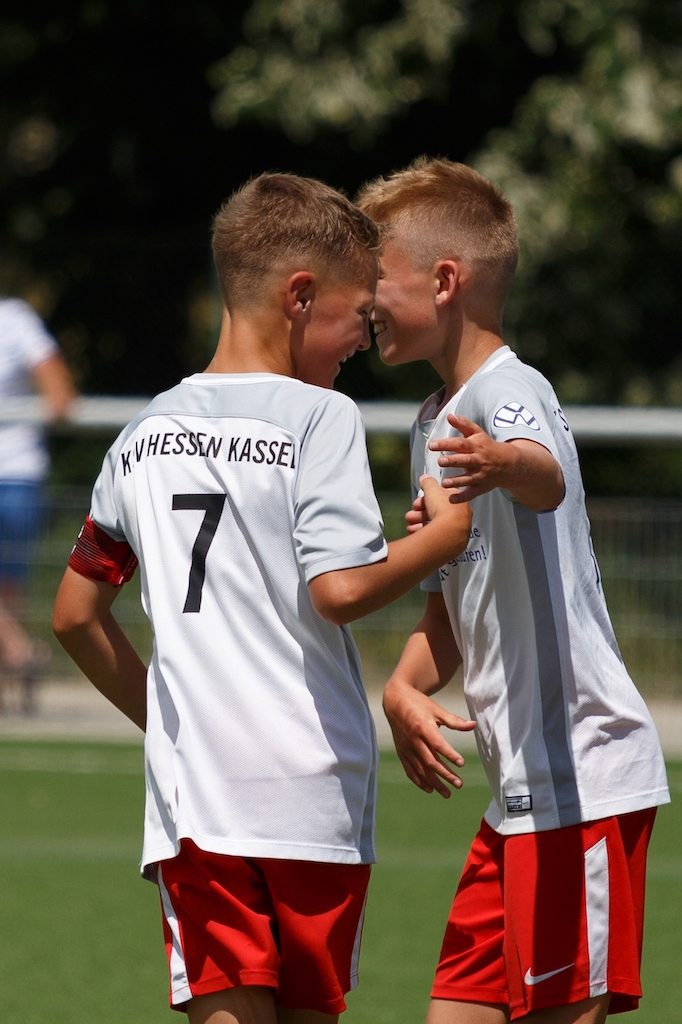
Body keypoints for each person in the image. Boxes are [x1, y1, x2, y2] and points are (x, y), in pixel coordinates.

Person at [52, 172, 472, 1024]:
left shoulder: (142, 434)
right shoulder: (320, 418)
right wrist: (447, 535)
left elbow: (73, 614)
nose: (362, 341)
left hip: (198, 801)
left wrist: (170, 718)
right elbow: (341, 591)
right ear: (300, 296)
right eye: (358, 316)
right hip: (310, 791)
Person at [357, 157, 670, 1024]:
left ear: (444, 281)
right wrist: (403, 685)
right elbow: (447, 611)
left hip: (581, 779)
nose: (364, 300)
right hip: (517, 801)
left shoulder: (507, 390)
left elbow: (544, 476)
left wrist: (503, 462)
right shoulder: (431, 422)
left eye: (377, 276)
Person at [0, 296, 76, 714]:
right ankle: (21, 653)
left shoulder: (14, 319)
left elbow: (59, 393)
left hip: (15, 473)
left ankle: (16, 661)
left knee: (10, 588)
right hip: (19, 474)